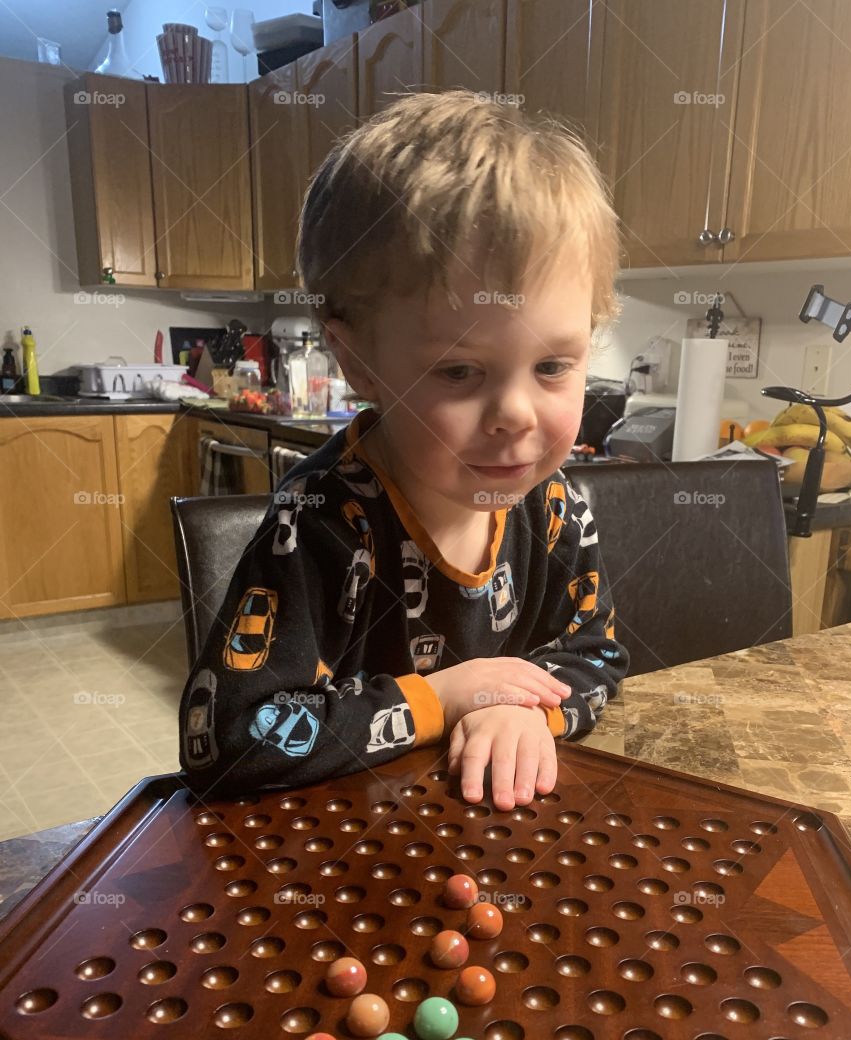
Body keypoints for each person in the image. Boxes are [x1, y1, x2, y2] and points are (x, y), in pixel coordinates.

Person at [179, 89, 629, 811]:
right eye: (458, 371)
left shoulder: (557, 506)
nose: (516, 415)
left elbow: (594, 653)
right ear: (358, 362)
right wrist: (446, 696)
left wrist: (520, 707)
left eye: (552, 367)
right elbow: (231, 738)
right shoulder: (320, 522)